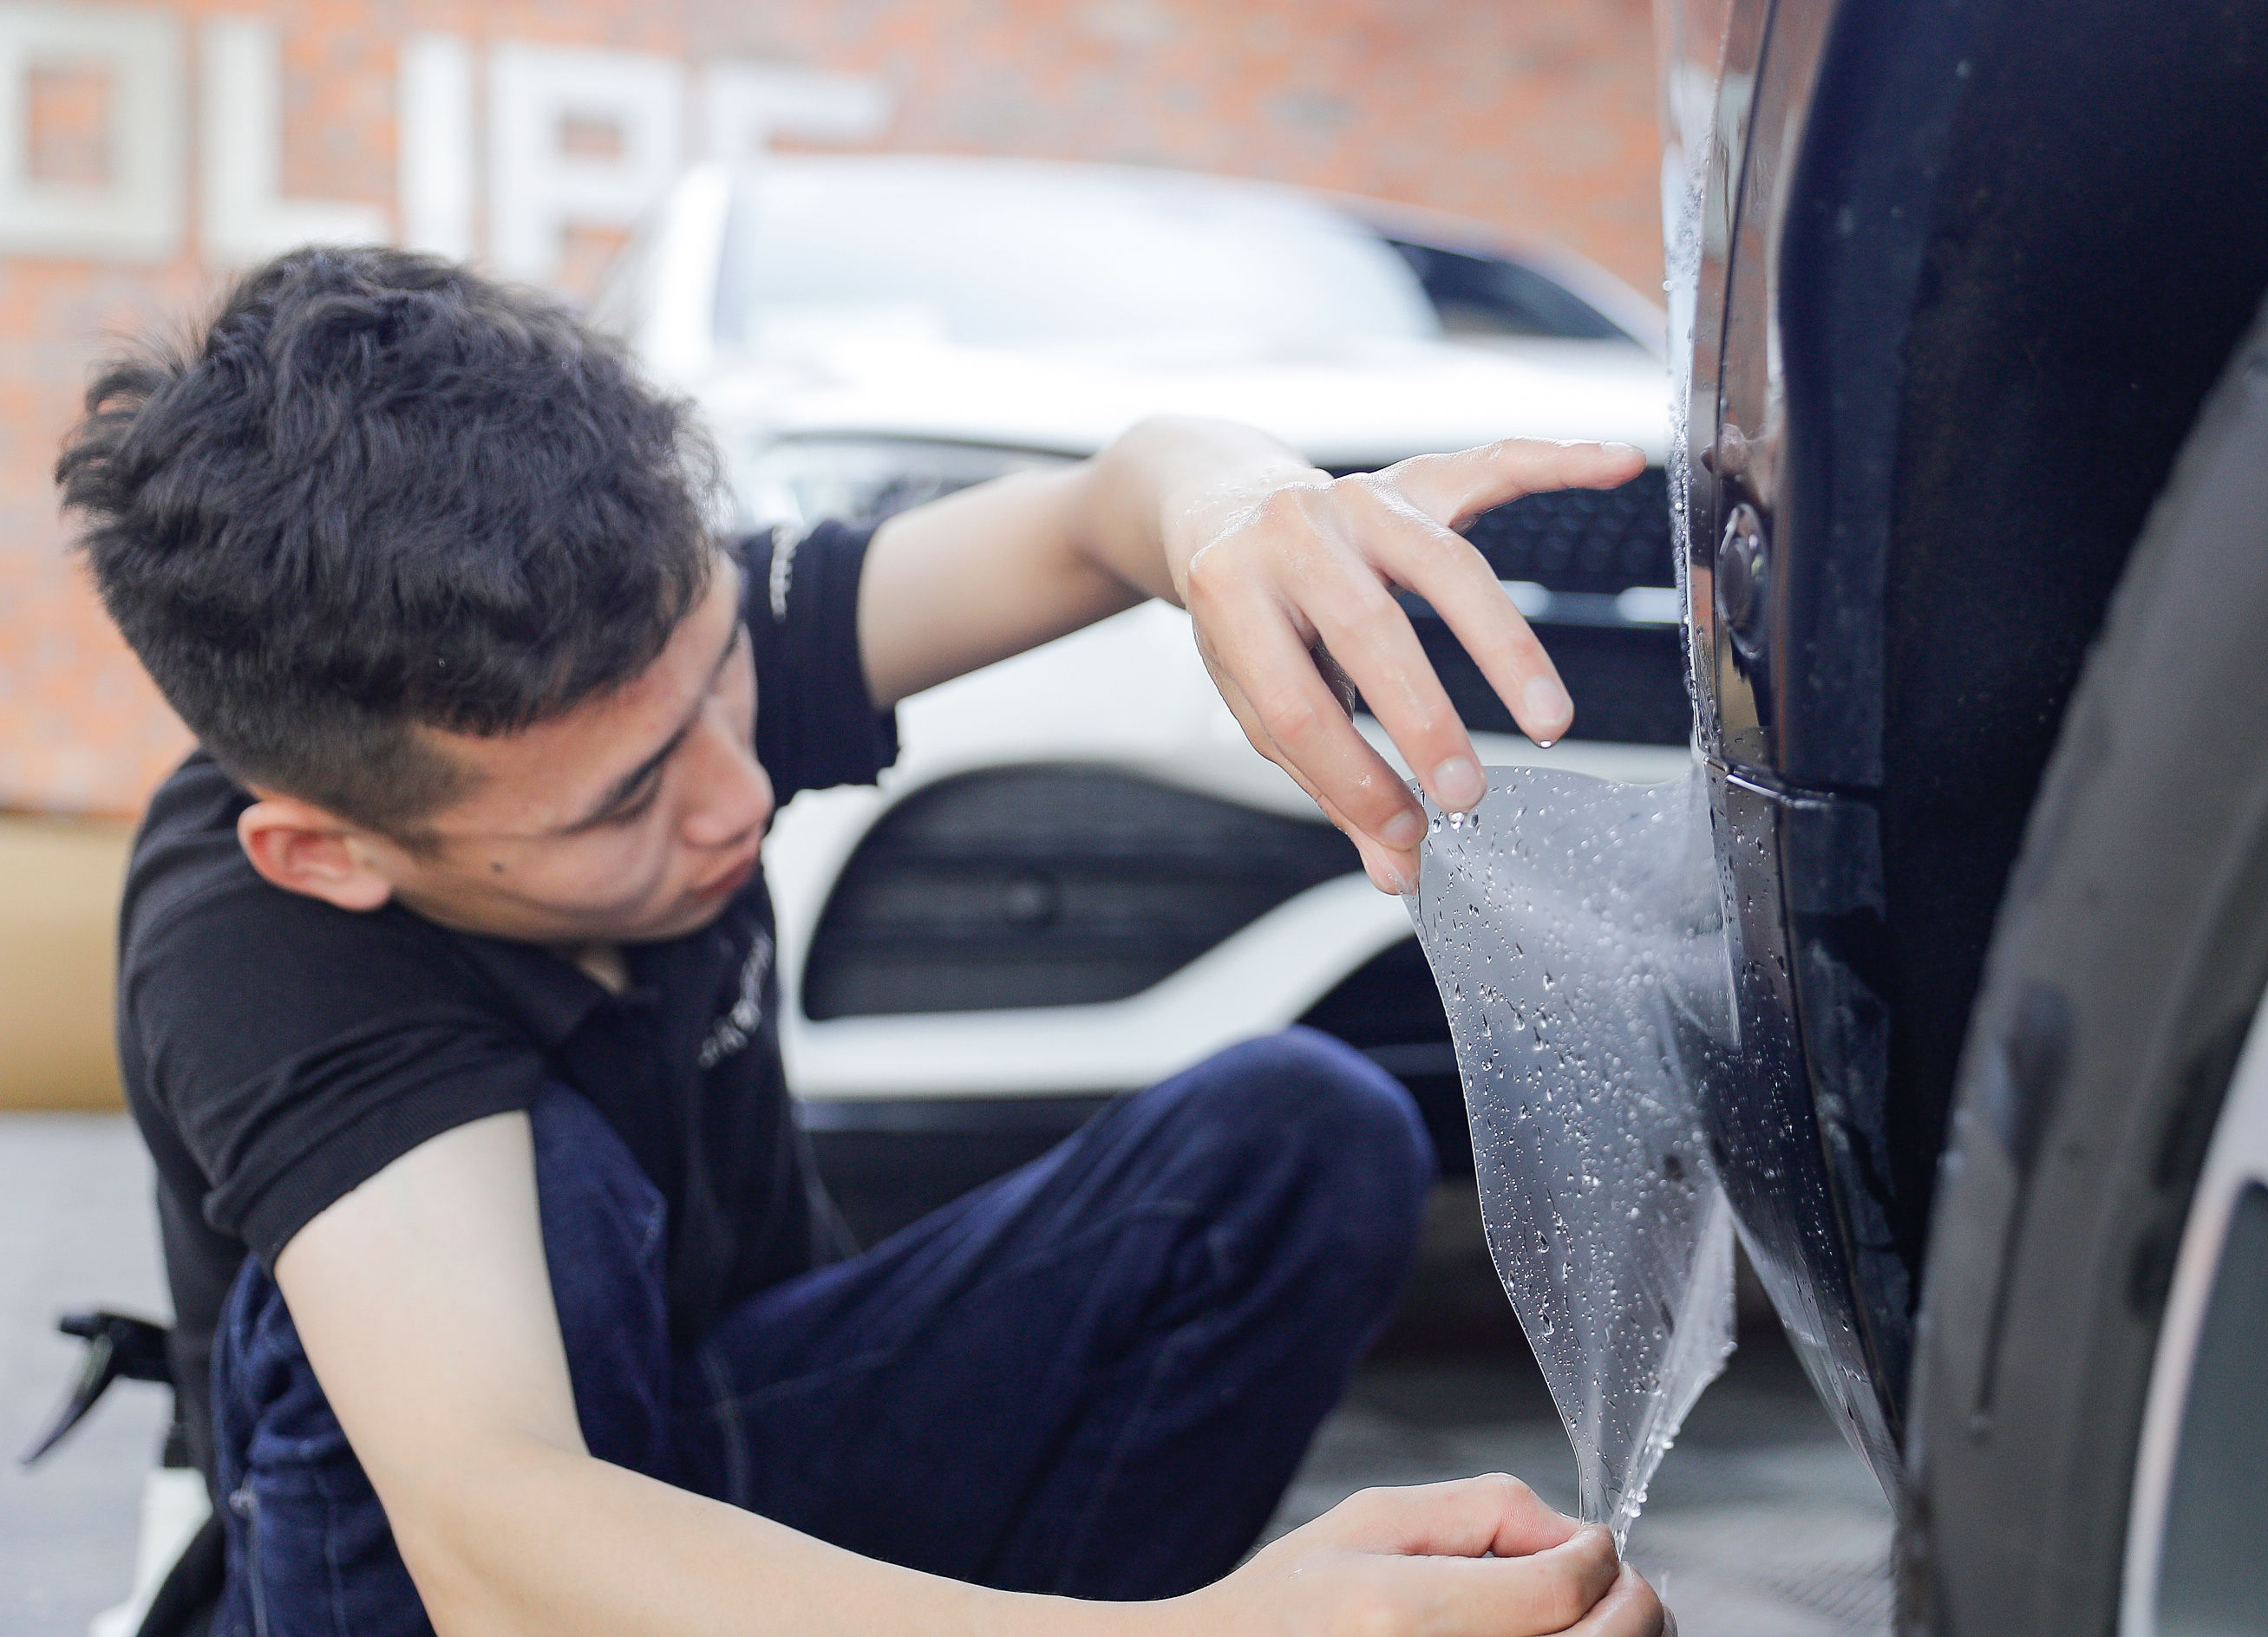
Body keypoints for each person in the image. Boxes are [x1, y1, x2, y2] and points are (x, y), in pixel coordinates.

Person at [62, 245, 1664, 1637]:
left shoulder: (619, 656)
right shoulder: (254, 941)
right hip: (458, 1566)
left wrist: (1236, 513)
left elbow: (1111, 509)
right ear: (327, 853)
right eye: (621, 805)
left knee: (1293, 1146)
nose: (738, 797)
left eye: (718, 680)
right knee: (540, 1201)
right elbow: (502, 1535)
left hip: (743, 1445)